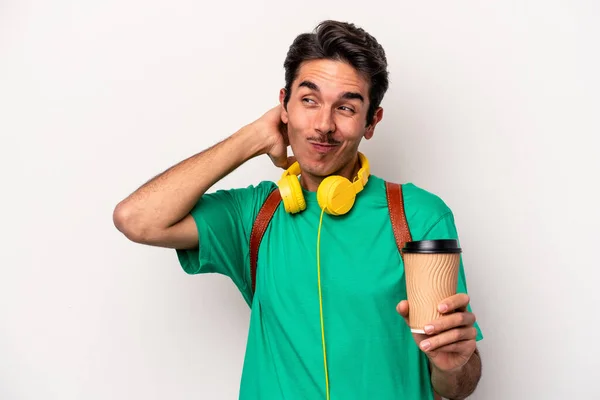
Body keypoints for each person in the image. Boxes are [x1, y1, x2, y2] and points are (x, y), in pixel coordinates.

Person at [113, 19, 483, 400]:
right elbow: (136, 219)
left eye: (346, 107)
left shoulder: (419, 216)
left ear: (372, 121)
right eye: (309, 100)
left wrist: (452, 365)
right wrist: (252, 137)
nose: (323, 125)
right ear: (284, 105)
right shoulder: (254, 215)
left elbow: (457, 385)